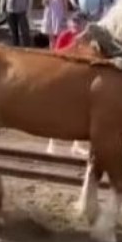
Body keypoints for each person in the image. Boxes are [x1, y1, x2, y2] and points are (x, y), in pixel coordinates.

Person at [46, 13, 89, 157]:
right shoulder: (65, 36)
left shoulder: (86, 39)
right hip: (64, 77)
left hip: (80, 78)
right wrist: (74, 44)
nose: (76, 25)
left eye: (79, 23)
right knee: (58, 111)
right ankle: (52, 143)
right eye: (74, 22)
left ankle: (77, 145)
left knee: (79, 112)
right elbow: (58, 54)